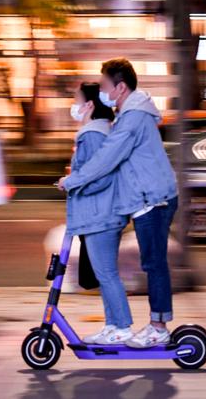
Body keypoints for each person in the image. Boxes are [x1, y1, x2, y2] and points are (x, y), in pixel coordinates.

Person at [59, 58, 179, 348]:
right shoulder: (129, 114)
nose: (101, 91)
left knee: (154, 264)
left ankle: (158, 327)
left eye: (104, 86)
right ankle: (136, 325)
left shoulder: (133, 118)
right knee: (151, 263)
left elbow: (106, 159)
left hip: (154, 200)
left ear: (120, 87)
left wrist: (72, 181)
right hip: (146, 199)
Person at [65, 82, 133, 345]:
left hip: (100, 215)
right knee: (104, 274)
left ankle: (122, 327)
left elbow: (99, 176)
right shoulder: (101, 131)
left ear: (89, 105)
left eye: (76, 100)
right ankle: (112, 327)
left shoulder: (92, 134)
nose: (74, 106)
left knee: (106, 274)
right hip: (102, 213)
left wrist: (70, 181)